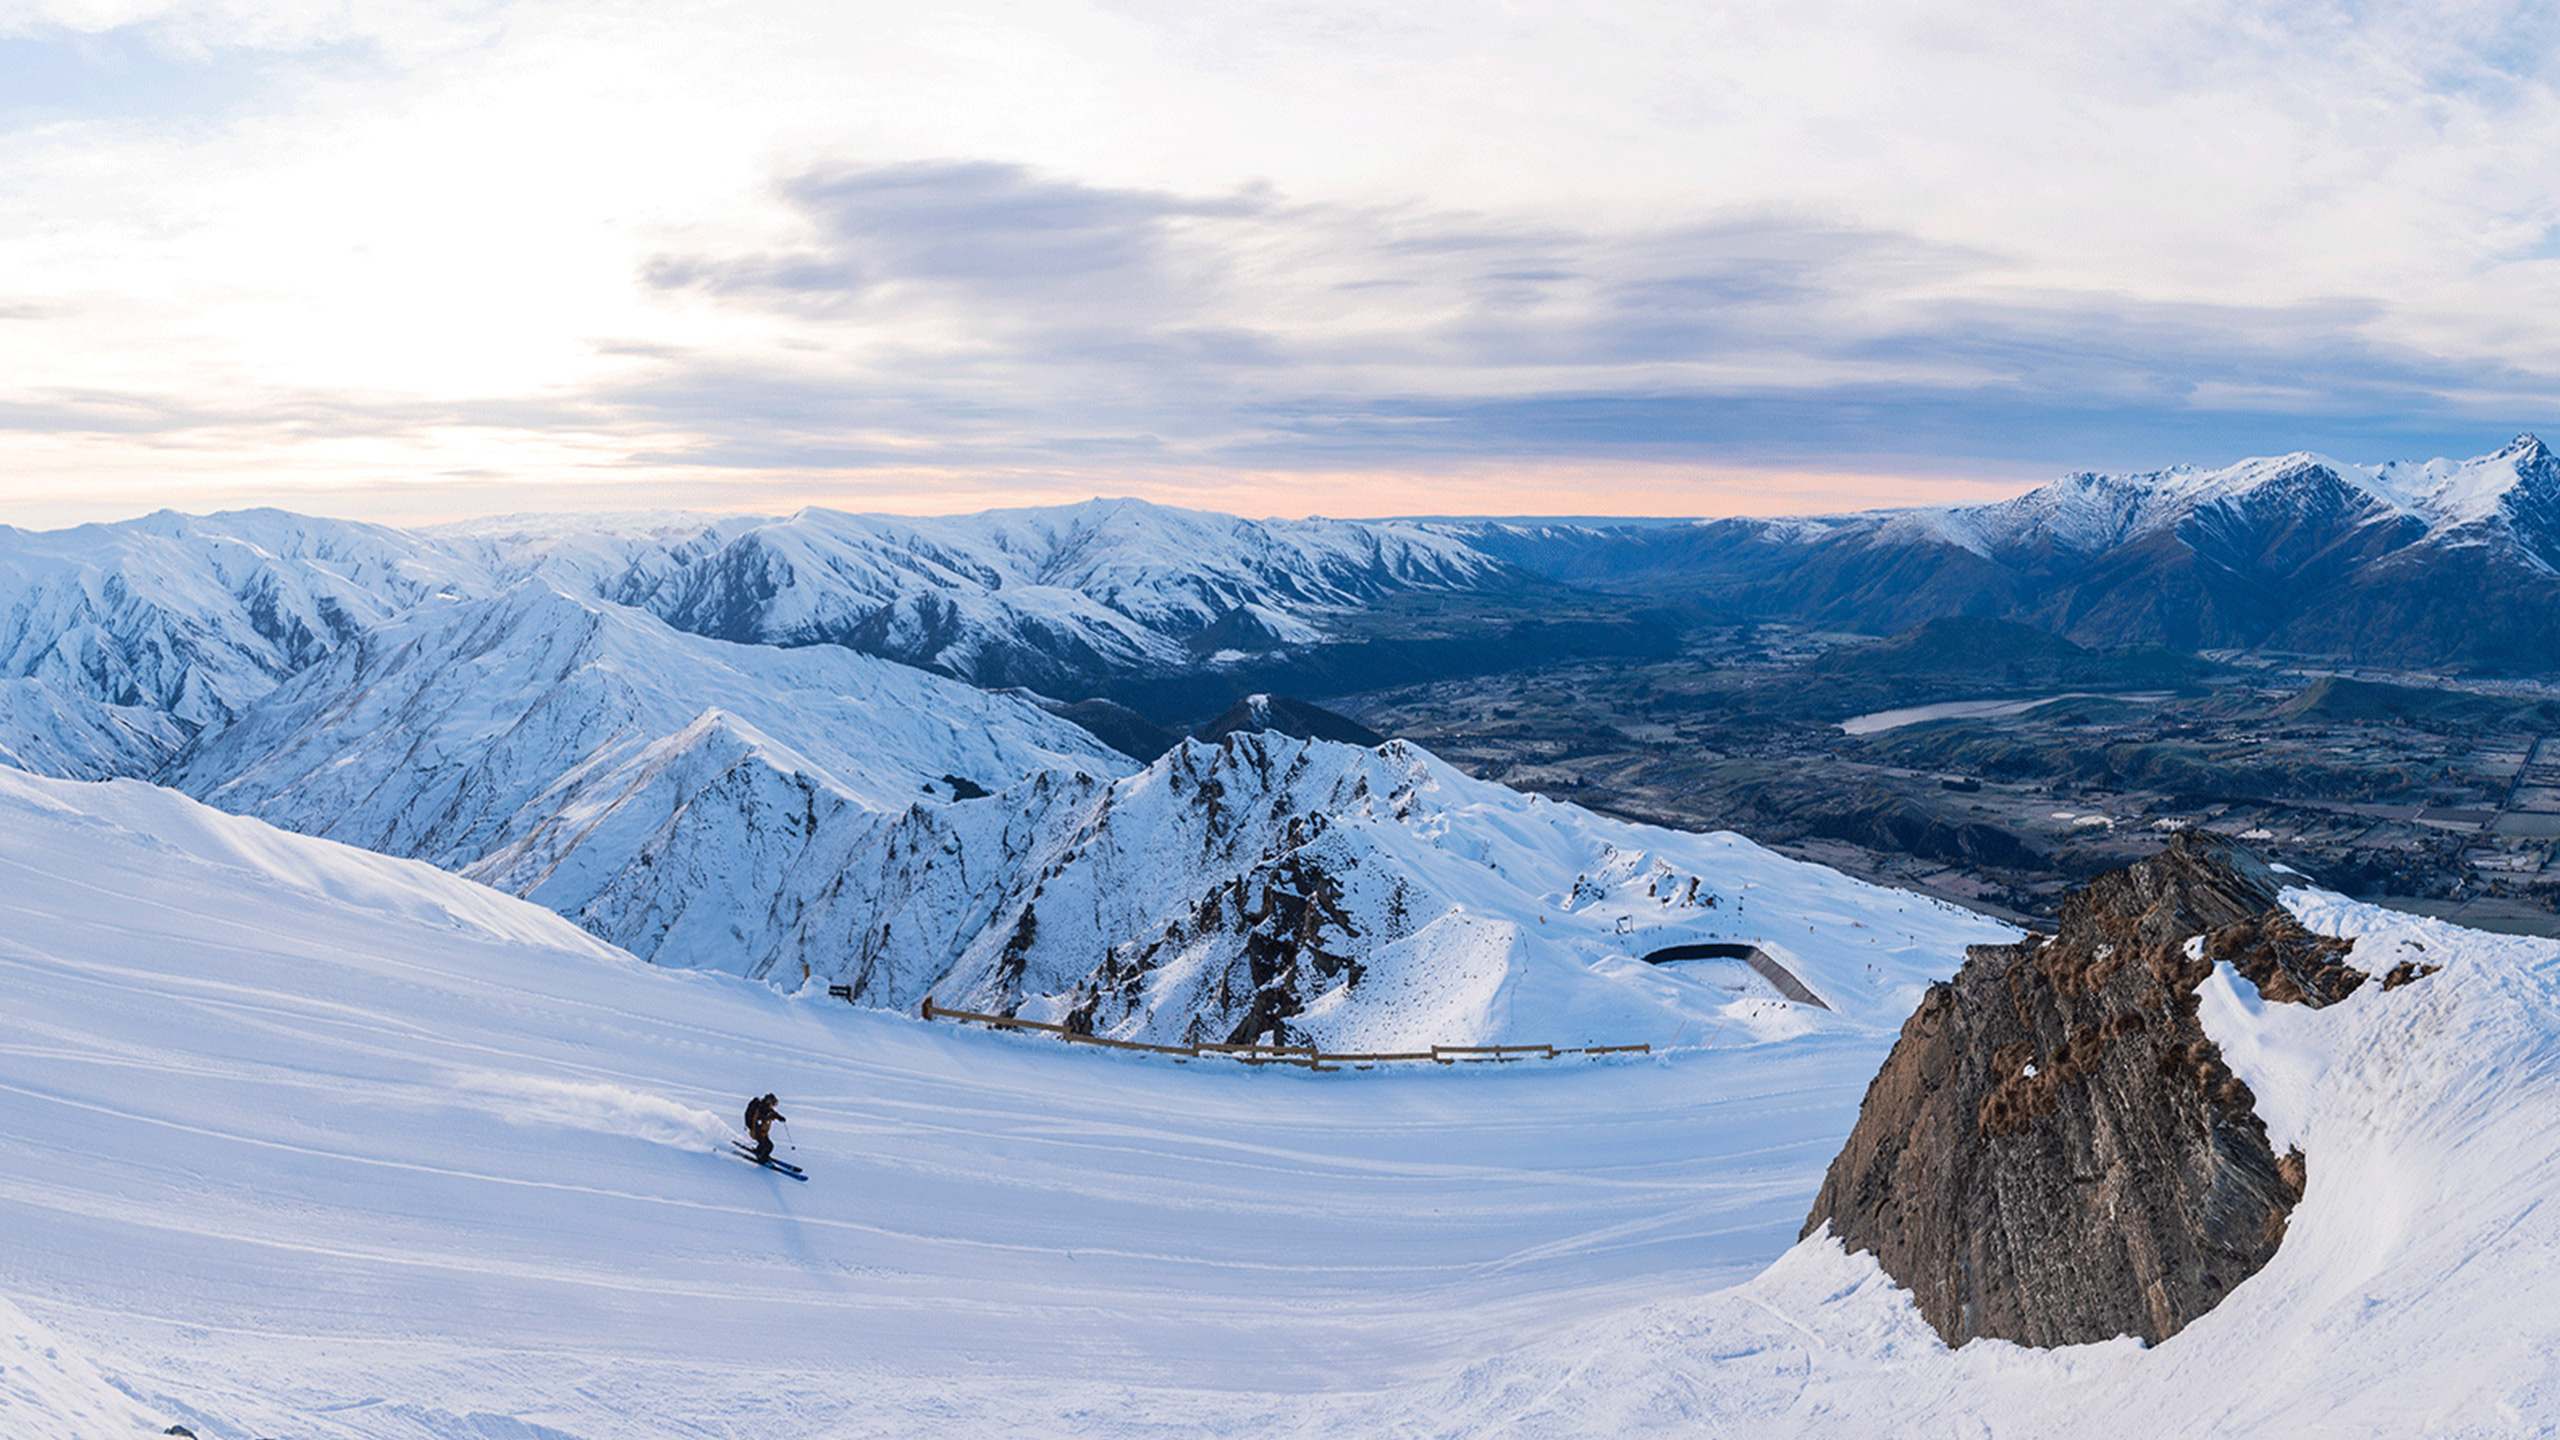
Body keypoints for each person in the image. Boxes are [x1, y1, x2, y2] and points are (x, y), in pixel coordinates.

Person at [743, 1092, 785, 1163]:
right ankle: (762, 1158)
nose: (773, 1106)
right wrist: (756, 1132)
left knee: (764, 1144)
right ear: (769, 1102)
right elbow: (756, 1120)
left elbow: (773, 1114)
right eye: (773, 1104)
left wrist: (780, 1118)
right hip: (757, 1132)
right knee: (769, 1146)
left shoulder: (767, 1109)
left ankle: (759, 1152)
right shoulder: (761, 1110)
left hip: (763, 1133)